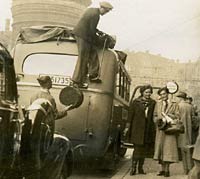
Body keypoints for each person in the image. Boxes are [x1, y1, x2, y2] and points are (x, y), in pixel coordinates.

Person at [72, 1, 113, 88]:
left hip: (82, 34)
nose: (105, 13)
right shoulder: (96, 15)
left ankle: (93, 75)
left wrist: (99, 32)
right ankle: (76, 81)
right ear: (102, 8)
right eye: (106, 11)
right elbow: (91, 31)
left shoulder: (91, 10)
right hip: (83, 36)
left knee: (93, 53)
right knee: (83, 58)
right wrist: (99, 40)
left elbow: (91, 27)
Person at [128, 85, 156, 175]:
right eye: (146, 92)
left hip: (147, 130)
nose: (148, 94)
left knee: (144, 150)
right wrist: (128, 127)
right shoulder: (136, 102)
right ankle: (133, 168)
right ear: (142, 92)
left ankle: (140, 168)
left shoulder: (153, 103)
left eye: (149, 92)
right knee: (137, 149)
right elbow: (130, 116)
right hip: (137, 129)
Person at [153, 87, 180, 177]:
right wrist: (158, 120)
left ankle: (167, 170)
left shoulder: (174, 104)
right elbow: (155, 115)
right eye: (161, 95)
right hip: (160, 130)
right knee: (160, 150)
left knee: (168, 150)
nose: (162, 96)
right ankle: (162, 169)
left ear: (168, 94)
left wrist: (169, 117)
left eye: (164, 94)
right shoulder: (158, 104)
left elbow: (178, 116)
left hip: (169, 130)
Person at [176, 91, 194, 174]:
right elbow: (193, 118)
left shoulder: (178, 106)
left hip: (181, 130)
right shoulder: (190, 106)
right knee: (189, 150)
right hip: (189, 131)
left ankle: (185, 169)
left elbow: (177, 118)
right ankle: (190, 168)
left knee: (183, 150)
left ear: (180, 98)